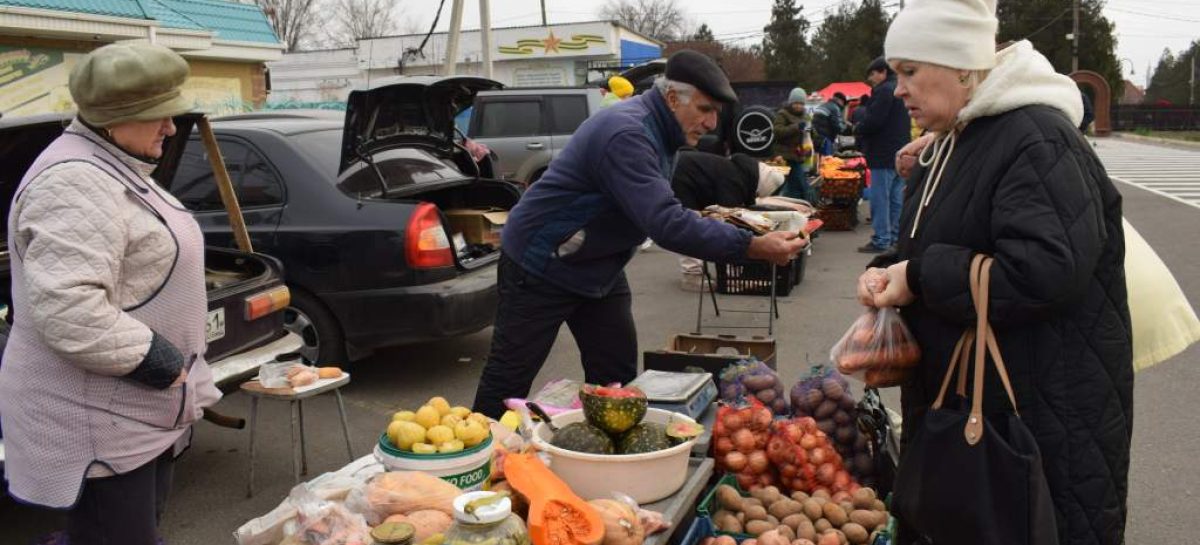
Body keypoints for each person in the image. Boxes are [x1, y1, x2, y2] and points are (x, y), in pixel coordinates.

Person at [857, 0, 1132, 542]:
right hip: (982, 408)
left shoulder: (1035, 138)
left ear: (962, 66)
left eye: (910, 71)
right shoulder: (960, 137)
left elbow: (1045, 271)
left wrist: (919, 276)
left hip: (1036, 418)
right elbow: (943, 240)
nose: (898, 89)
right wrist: (888, 271)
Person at [472, 50, 808, 417]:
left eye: (716, 112)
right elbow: (665, 223)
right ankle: (481, 461)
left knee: (615, 378)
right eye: (704, 109)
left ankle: (608, 460)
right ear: (671, 98)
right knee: (508, 379)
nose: (713, 123)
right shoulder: (627, 133)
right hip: (541, 263)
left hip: (599, 266)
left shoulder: (663, 130)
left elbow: (659, 205)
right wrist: (752, 245)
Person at [0, 43, 221, 544]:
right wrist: (162, 360)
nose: (169, 127)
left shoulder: (111, 163)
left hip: (133, 409)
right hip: (94, 416)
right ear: (113, 120)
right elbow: (70, 310)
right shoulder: (74, 182)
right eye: (156, 116)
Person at [855, 56, 911, 254]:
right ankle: (895, 238)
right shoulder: (901, 89)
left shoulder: (883, 91)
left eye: (872, 74)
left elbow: (874, 121)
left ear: (882, 72)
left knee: (880, 199)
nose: (871, 79)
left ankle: (881, 239)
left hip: (882, 153)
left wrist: (858, 129)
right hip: (900, 151)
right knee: (896, 199)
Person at [772, 87, 814, 201]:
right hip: (784, 157)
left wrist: (816, 137)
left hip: (799, 155)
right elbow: (777, 131)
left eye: (801, 103)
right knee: (789, 183)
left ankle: (795, 207)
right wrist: (795, 127)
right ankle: (783, 203)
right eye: (796, 103)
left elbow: (809, 132)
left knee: (796, 185)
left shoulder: (806, 115)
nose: (798, 106)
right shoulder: (782, 114)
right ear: (791, 102)